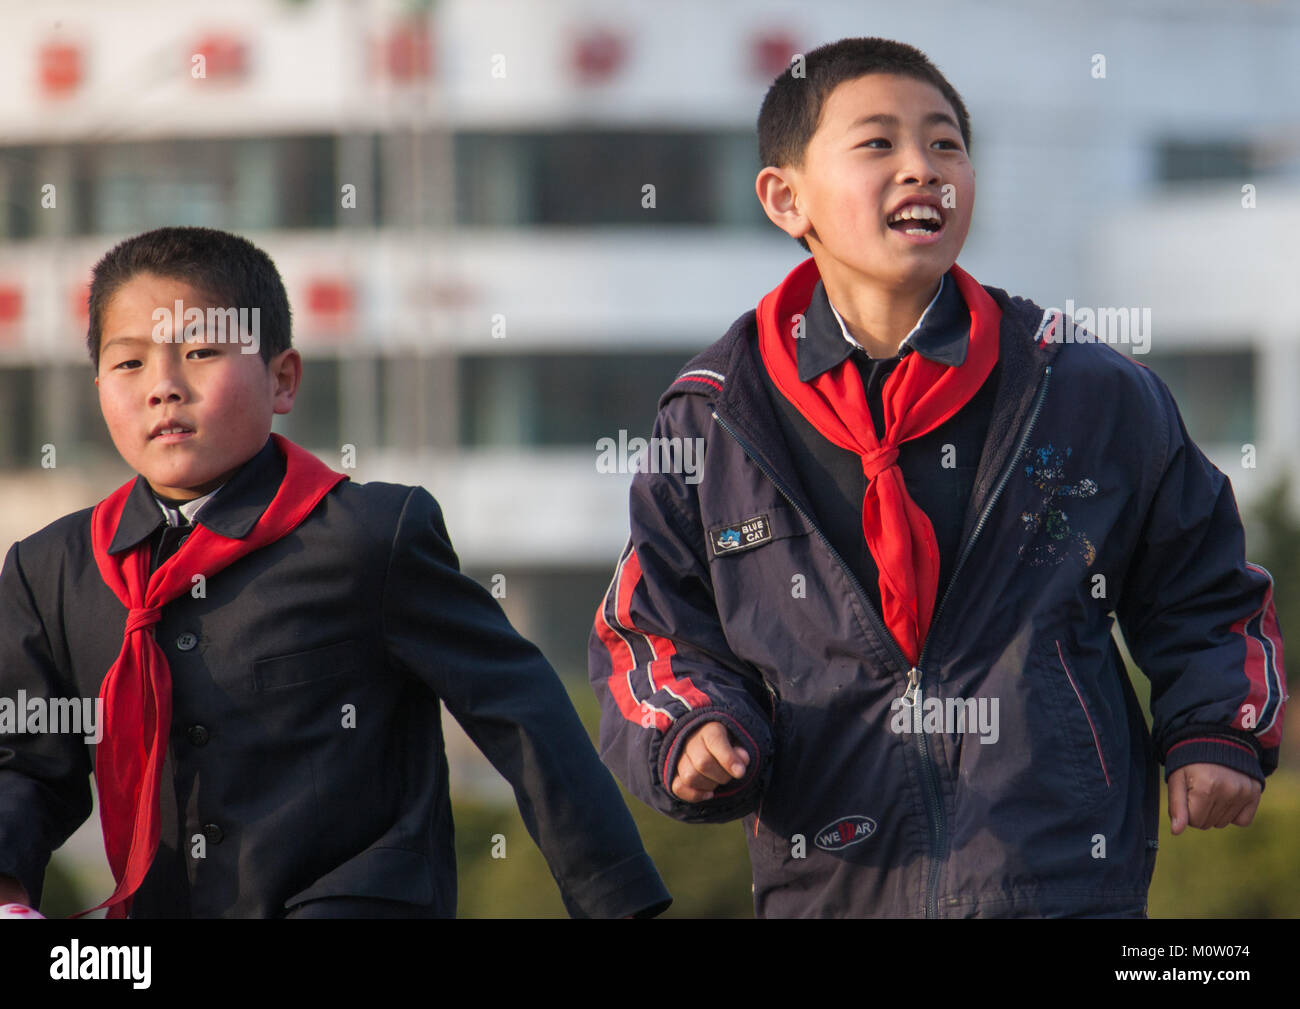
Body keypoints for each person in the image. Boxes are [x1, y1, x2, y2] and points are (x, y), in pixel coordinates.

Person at [588, 37, 1285, 917]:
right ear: (784, 196)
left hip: (1062, 882)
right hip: (832, 885)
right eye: (878, 143)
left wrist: (1215, 729)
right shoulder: (717, 418)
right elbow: (650, 631)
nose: (922, 167)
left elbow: (1206, 587)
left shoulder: (1086, 389)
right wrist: (692, 726)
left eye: (946, 143)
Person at [0, 226, 670, 919]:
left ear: (282, 377)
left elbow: (519, 711)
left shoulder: (369, 535)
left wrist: (613, 895)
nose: (164, 388)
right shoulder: (52, 570)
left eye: (201, 352)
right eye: (129, 363)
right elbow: (23, 759)